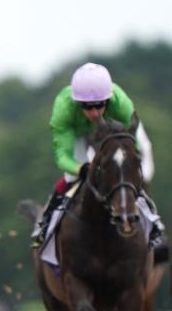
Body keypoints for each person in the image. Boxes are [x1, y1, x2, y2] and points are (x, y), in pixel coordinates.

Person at [32, 62, 166, 260]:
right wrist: (81, 168)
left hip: (113, 132)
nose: (94, 113)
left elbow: (136, 145)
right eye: (86, 107)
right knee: (71, 176)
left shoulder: (121, 104)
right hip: (78, 134)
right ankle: (46, 223)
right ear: (77, 103)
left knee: (142, 154)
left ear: (108, 99)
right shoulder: (63, 110)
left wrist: (133, 173)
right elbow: (62, 156)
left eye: (99, 105)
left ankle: (155, 226)